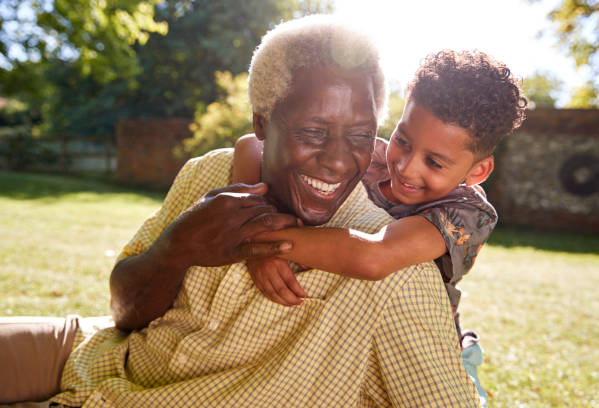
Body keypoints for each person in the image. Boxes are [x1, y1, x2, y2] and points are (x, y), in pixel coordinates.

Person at [0, 16, 480, 407]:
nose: (338, 159)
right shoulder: (210, 174)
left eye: (359, 136)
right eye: (313, 132)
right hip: (98, 355)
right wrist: (176, 250)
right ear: (263, 124)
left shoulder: (395, 276)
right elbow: (123, 313)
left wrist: (264, 243)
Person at [232, 49, 527, 407]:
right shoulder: (368, 157)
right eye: (403, 140)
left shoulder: (466, 214)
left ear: (477, 171)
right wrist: (253, 221)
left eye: (434, 162)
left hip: (423, 347)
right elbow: (250, 146)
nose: (406, 166)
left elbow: (374, 256)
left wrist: (263, 244)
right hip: (349, 327)